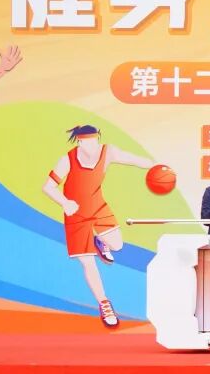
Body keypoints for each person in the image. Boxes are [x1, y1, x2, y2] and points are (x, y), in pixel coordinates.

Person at [41, 125, 154, 328]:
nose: (92, 146)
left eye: (95, 141)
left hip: (98, 207)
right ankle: (104, 303)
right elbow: (48, 187)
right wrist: (65, 203)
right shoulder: (68, 159)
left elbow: (133, 159)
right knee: (88, 263)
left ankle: (100, 242)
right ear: (80, 142)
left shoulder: (107, 152)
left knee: (117, 245)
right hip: (76, 215)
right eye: (88, 142)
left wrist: (156, 165)